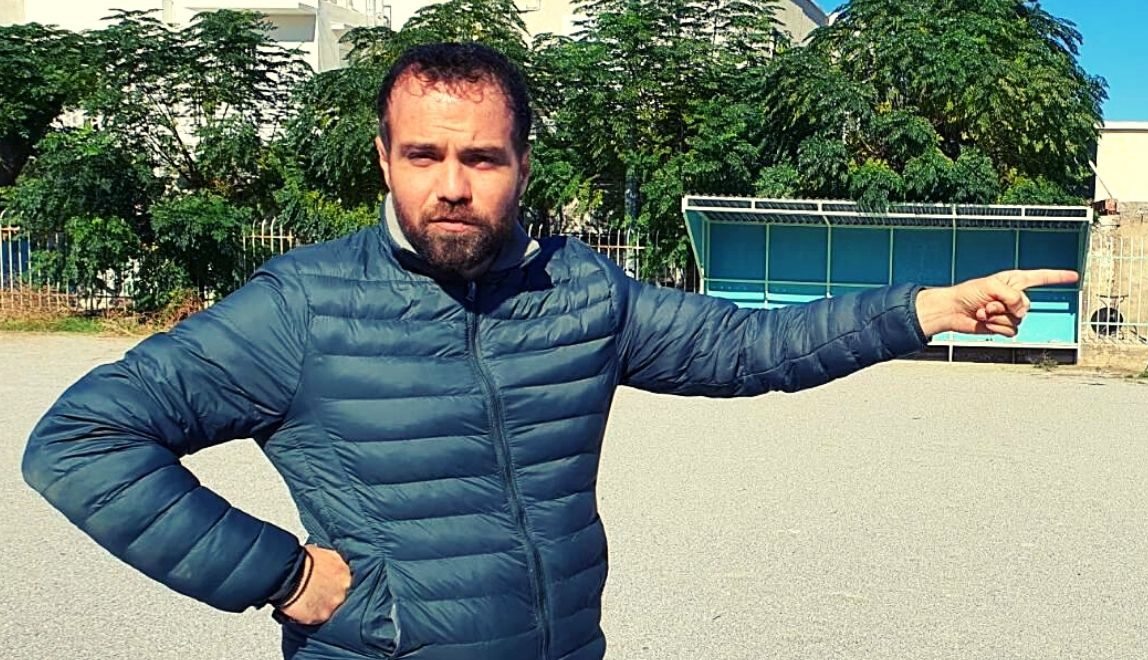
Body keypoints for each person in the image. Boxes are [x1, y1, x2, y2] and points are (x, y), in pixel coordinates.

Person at [22, 42, 1077, 660]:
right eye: (423, 155)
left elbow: (742, 346)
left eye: (481, 158)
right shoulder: (302, 307)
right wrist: (280, 573)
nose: (451, 185)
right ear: (384, 159)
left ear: (522, 162)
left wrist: (920, 309)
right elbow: (80, 441)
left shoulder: (578, 290)